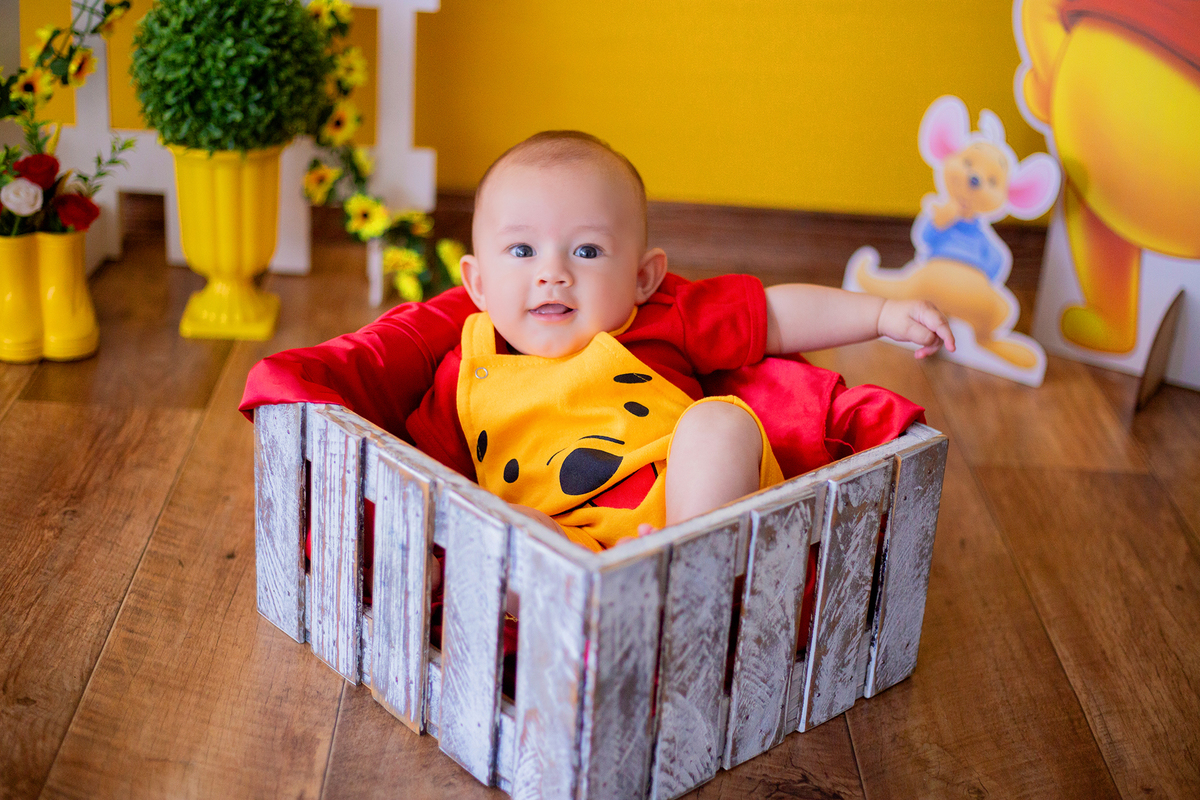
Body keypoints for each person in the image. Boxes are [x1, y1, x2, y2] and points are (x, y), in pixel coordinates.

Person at [405, 130, 954, 552]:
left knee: (719, 422)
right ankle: (600, 617)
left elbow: (775, 314)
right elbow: (426, 475)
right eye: (522, 251)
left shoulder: (664, 315)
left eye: (587, 251)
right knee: (503, 530)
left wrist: (882, 314)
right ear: (476, 283)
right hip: (567, 556)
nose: (553, 273)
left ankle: (688, 576)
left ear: (643, 277)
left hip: (689, 516)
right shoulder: (465, 372)